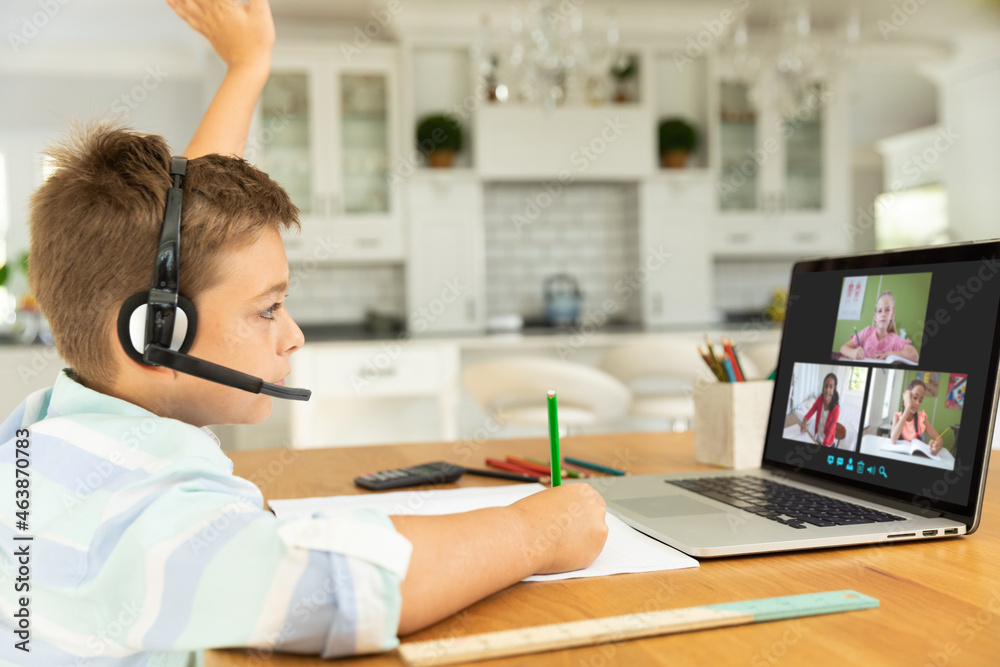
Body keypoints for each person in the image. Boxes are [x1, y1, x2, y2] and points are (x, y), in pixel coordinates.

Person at [0, 1, 608, 665]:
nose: (292, 336)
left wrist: (247, 66)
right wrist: (540, 527)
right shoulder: (138, 523)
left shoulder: (46, 436)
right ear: (157, 333)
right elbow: (344, 589)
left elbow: (191, 245)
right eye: (268, 308)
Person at [839, 290, 919, 363]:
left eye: (887, 310)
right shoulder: (866, 332)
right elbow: (843, 348)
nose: (883, 314)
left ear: (892, 315)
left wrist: (888, 354)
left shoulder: (895, 339)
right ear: (875, 317)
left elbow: (914, 355)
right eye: (880, 311)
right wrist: (853, 353)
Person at [890, 379, 944, 455]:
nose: (917, 403)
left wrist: (936, 445)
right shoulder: (897, 417)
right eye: (915, 397)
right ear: (906, 396)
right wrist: (908, 406)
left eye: (920, 400)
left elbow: (939, 440)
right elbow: (893, 439)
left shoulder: (922, 418)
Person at [800, 372, 841, 447]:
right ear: (823, 387)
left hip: (828, 444)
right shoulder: (819, 400)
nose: (827, 390)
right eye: (826, 386)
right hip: (817, 439)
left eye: (831, 387)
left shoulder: (836, 409)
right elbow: (809, 413)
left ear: (834, 389)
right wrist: (804, 422)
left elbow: (830, 432)